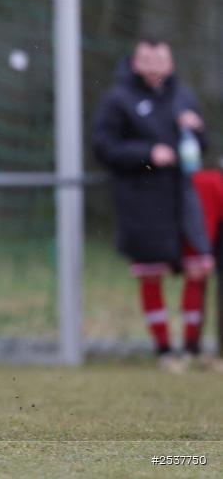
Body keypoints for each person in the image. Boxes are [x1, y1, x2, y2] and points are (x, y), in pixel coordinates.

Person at [92, 38, 214, 372]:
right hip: (143, 201)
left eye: (160, 58)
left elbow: (200, 145)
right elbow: (103, 146)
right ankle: (164, 351)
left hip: (183, 199)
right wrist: (147, 154)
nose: (154, 64)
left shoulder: (183, 96)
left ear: (170, 63)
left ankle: (192, 347)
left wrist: (197, 131)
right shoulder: (119, 100)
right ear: (135, 62)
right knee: (151, 274)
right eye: (146, 58)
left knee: (199, 266)